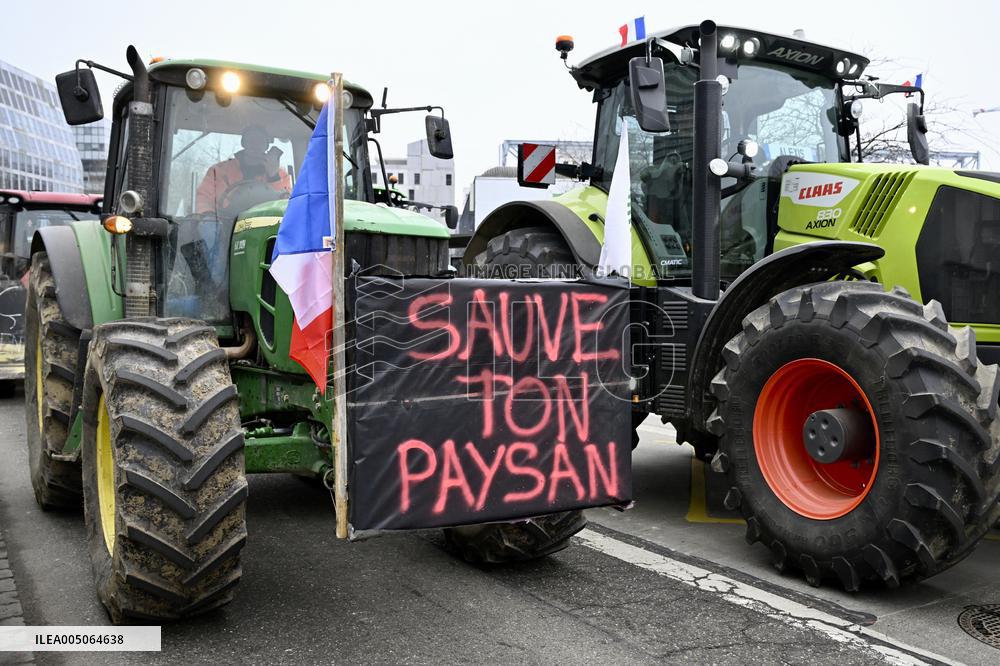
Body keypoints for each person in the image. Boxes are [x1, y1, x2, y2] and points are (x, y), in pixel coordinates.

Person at [195, 125, 292, 214]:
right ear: (243, 143)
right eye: (251, 140)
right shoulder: (219, 171)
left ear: (266, 145)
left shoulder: (281, 175)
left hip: (266, 227)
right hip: (225, 226)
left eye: (260, 140)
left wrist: (273, 176)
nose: (255, 144)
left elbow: (285, 205)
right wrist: (208, 214)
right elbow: (204, 197)